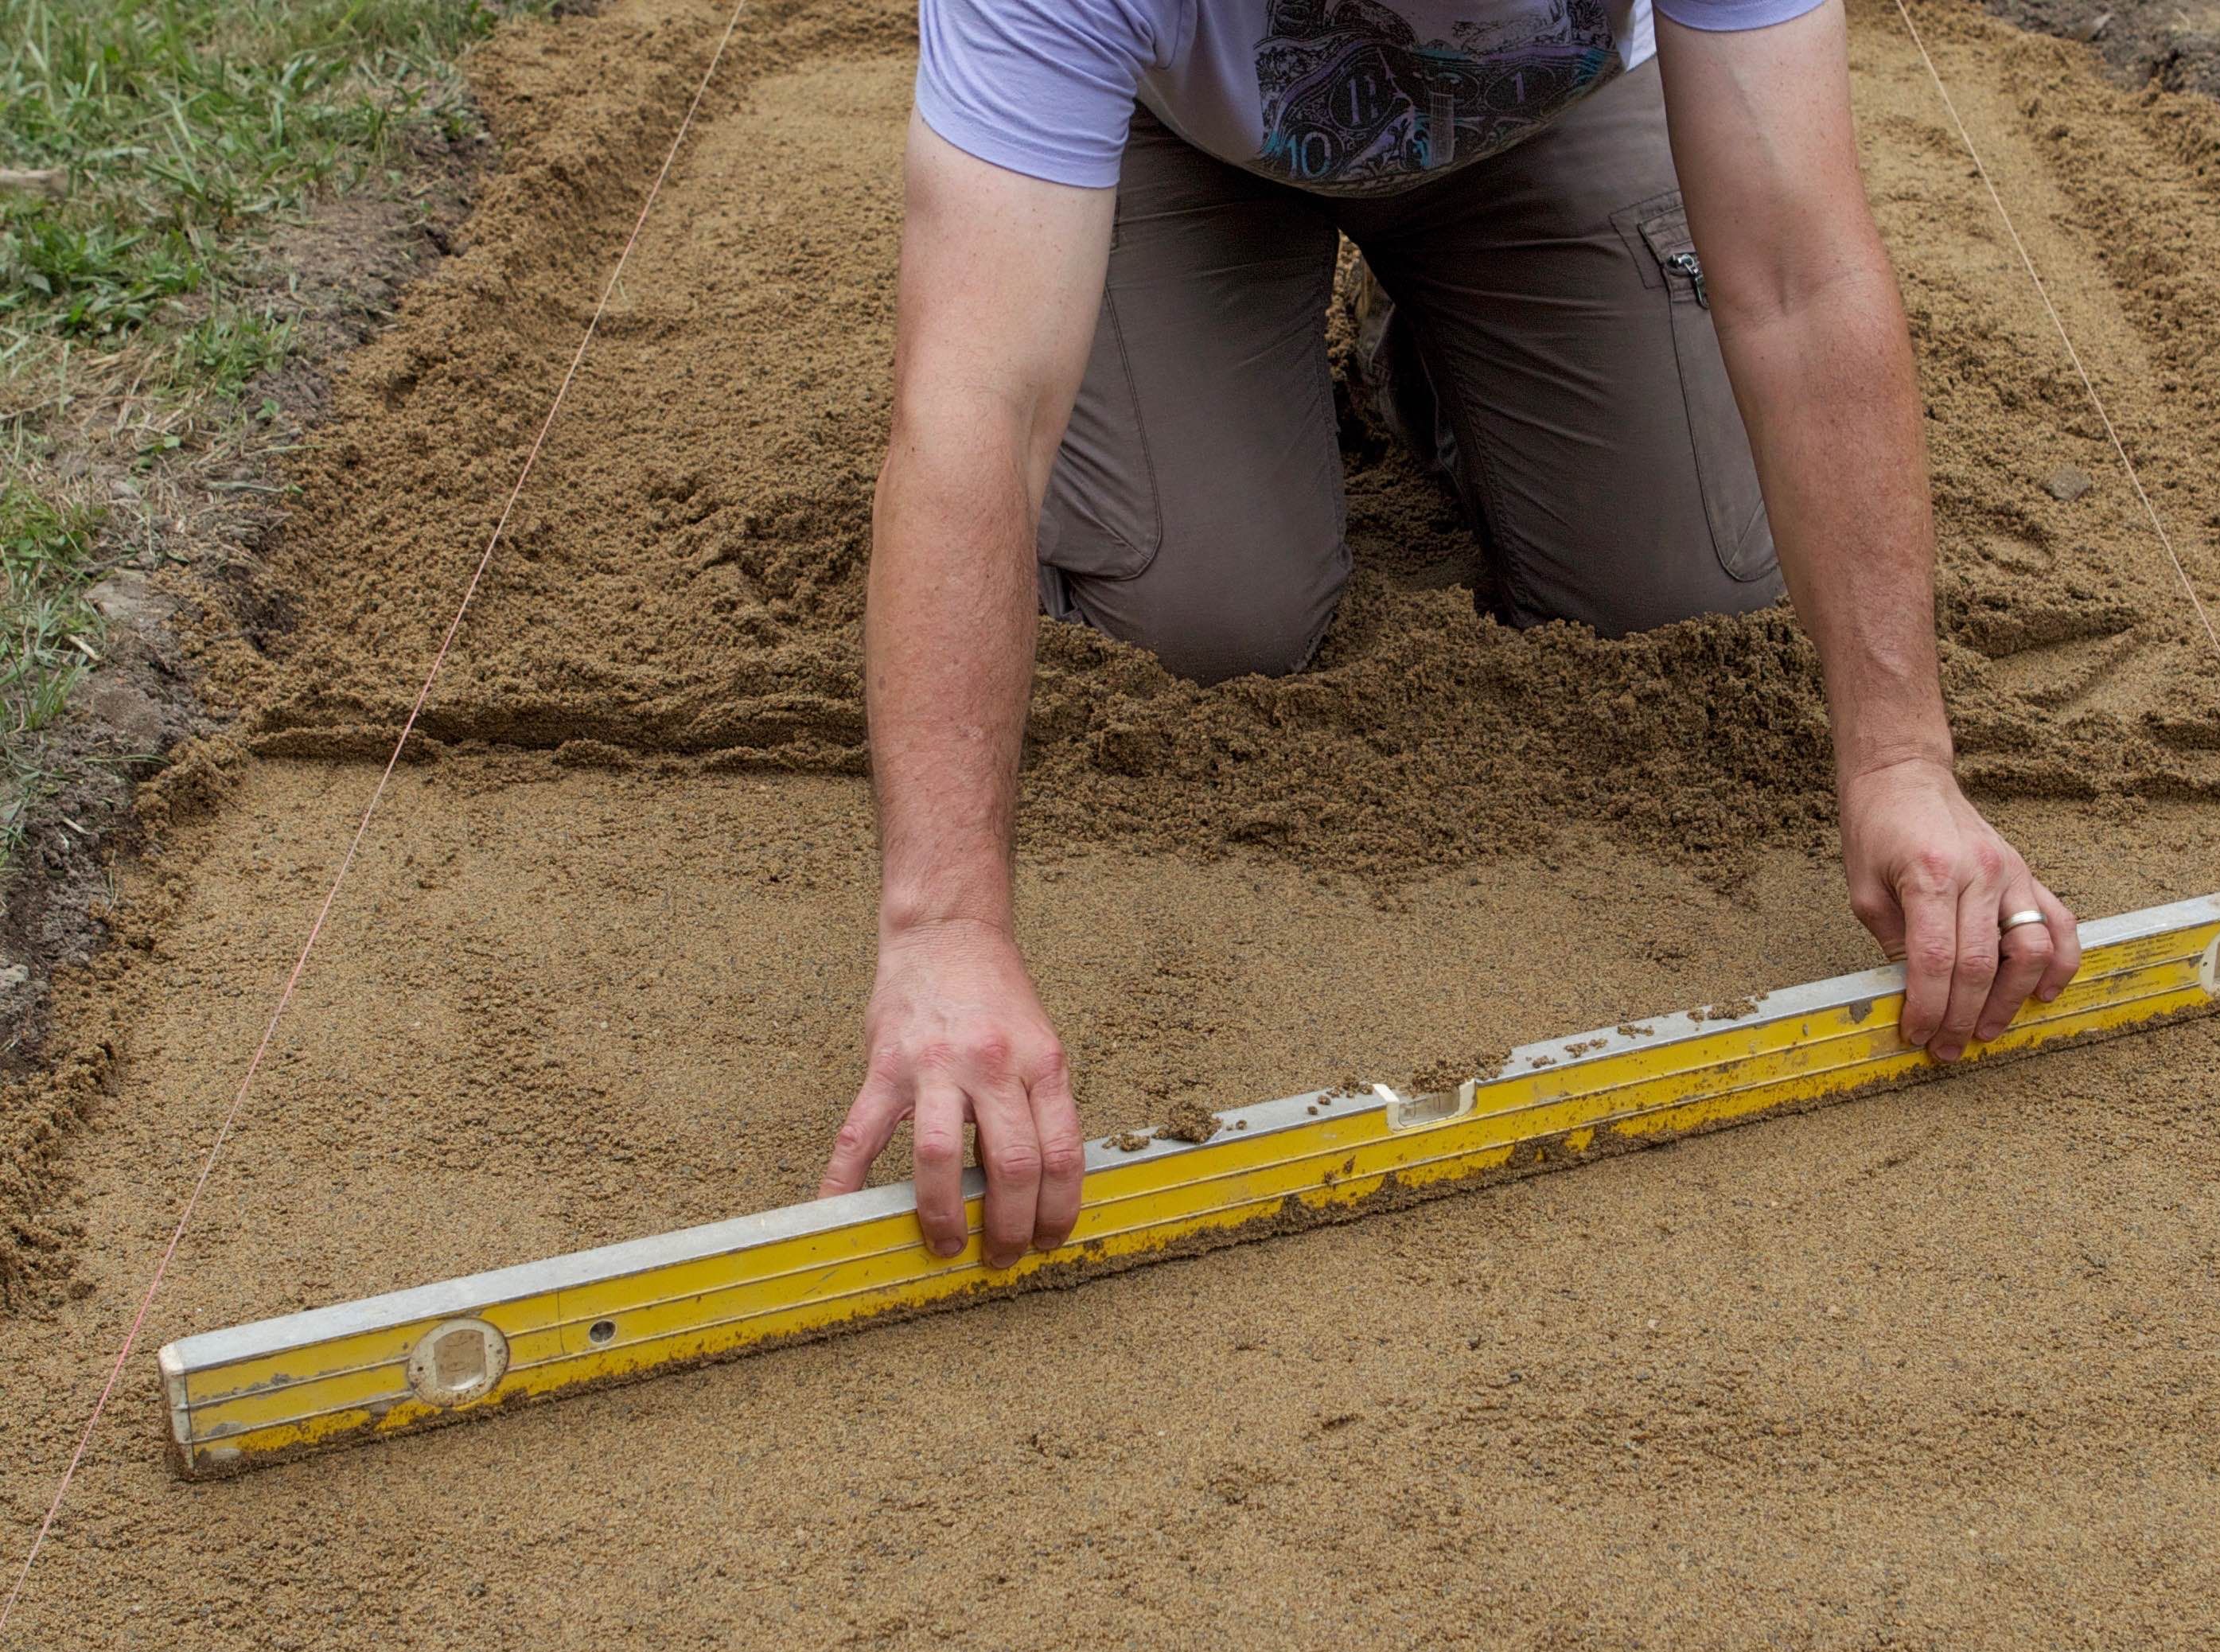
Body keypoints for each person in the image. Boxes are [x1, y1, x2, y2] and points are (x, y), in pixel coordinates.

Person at [819, 0, 2082, 1264]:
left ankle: (1429, 361)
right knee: (1204, 611)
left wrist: (1902, 763)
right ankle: (1182, 339)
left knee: (1689, 584)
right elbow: (978, 408)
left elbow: (1801, 282)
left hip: (1541, 120)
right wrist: (946, 931)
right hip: (1168, 137)